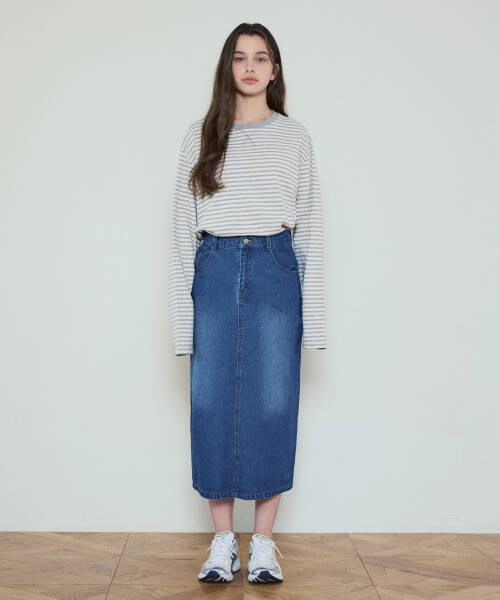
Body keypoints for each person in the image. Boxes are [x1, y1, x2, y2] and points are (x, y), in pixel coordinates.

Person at [168, 22, 327, 584]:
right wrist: (182, 325)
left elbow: (310, 230)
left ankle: (262, 543)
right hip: (213, 267)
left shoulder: (295, 137)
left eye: (261, 58)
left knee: (273, 401)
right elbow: (181, 231)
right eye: (240, 58)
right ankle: (222, 542)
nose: (251, 67)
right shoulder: (200, 136)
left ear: (275, 70)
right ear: (228, 67)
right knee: (210, 400)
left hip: (275, 266)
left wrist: (315, 323)